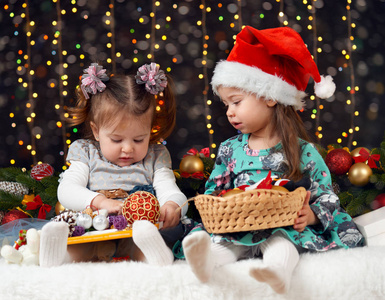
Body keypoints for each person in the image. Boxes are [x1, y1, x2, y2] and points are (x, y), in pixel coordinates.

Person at [178, 26, 364, 294]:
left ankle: (277, 272)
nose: (230, 112)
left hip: (283, 227)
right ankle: (205, 263)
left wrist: (311, 215)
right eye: (226, 104)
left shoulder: (303, 152)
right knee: (226, 245)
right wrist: (219, 207)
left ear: (268, 97)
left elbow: (326, 196)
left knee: (281, 243)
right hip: (238, 226)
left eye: (236, 101)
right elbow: (214, 190)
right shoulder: (230, 149)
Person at [39, 62, 188, 267]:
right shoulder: (86, 152)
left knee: (143, 241)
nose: (127, 148)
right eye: (117, 140)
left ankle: (156, 257)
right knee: (79, 248)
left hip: (137, 229)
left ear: (150, 131)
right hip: (93, 227)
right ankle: (55, 254)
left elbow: (170, 190)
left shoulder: (155, 155)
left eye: (138, 140)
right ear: (97, 130)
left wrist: (173, 205)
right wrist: (100, 202)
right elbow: (66, 190)